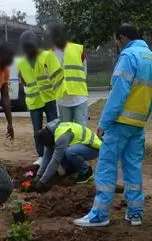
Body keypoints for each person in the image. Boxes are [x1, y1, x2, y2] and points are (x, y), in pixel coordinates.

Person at [74, 24, 152, 228]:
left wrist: (103, 123)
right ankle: (135, 213)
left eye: (117, 41)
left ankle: (100, 214)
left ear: (122, 38)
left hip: (119, 123)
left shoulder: (128, 56)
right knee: (132, 167)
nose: (117, 45)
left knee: (106, 167)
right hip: (137, 124)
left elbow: (119, 93)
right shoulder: (149, 57)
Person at [17, 30, 64, 166]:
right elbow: (24, 80)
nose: (29, 49)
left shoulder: (47, 56)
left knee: (54, 129)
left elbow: (57, 74)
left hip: (49, 98)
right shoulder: (22, 63)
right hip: (34, 102)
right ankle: (41, 156)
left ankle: (56, 155)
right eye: (26, 47)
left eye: (31, 46)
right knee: (37, 131)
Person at [34, 119, 101, 191]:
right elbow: (47, 156)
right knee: (62, 151)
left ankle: (86, 172)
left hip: (93, 148)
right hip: (81, 146)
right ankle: (72, 171)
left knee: (69, 152)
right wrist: (39, 175)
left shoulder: (61, 137)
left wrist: (42, 181)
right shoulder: (51, 132)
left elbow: (55, 161)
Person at [49, 24, 89, 126]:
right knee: (66, 130)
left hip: (79, 97)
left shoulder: (78, 49)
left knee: (82, 130)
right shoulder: (50, 54)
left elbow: (84, 71)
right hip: (62, 99)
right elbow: (48, 74)